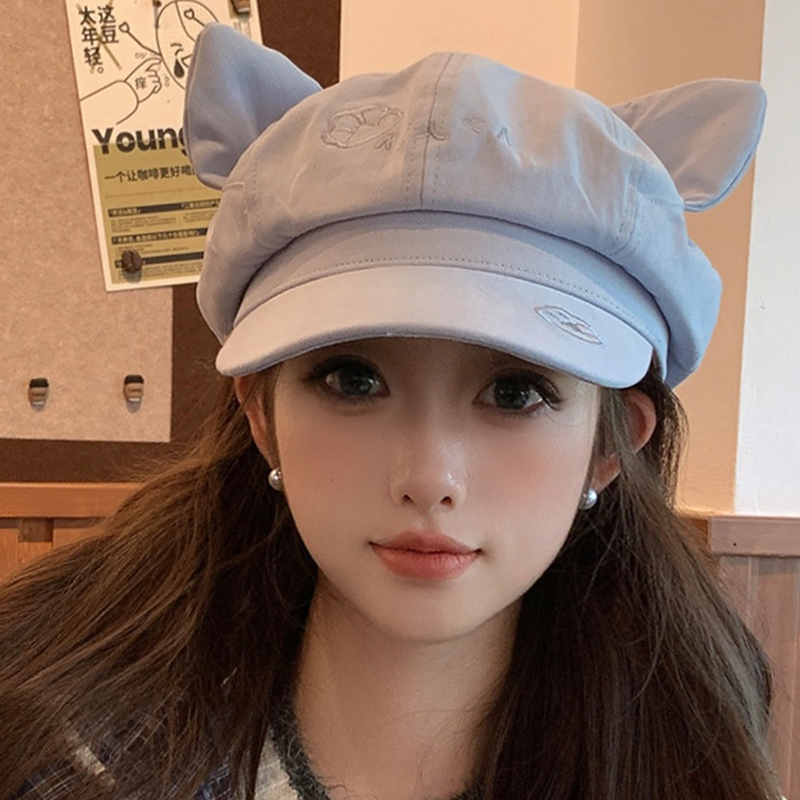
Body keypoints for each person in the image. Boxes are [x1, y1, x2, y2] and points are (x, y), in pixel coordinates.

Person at [0, 22, 781, 800]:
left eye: (515, 392)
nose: (430, 478)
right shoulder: (67, 753)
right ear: (261, 416)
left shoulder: (695, 752)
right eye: (352, 380)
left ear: (612, 449)